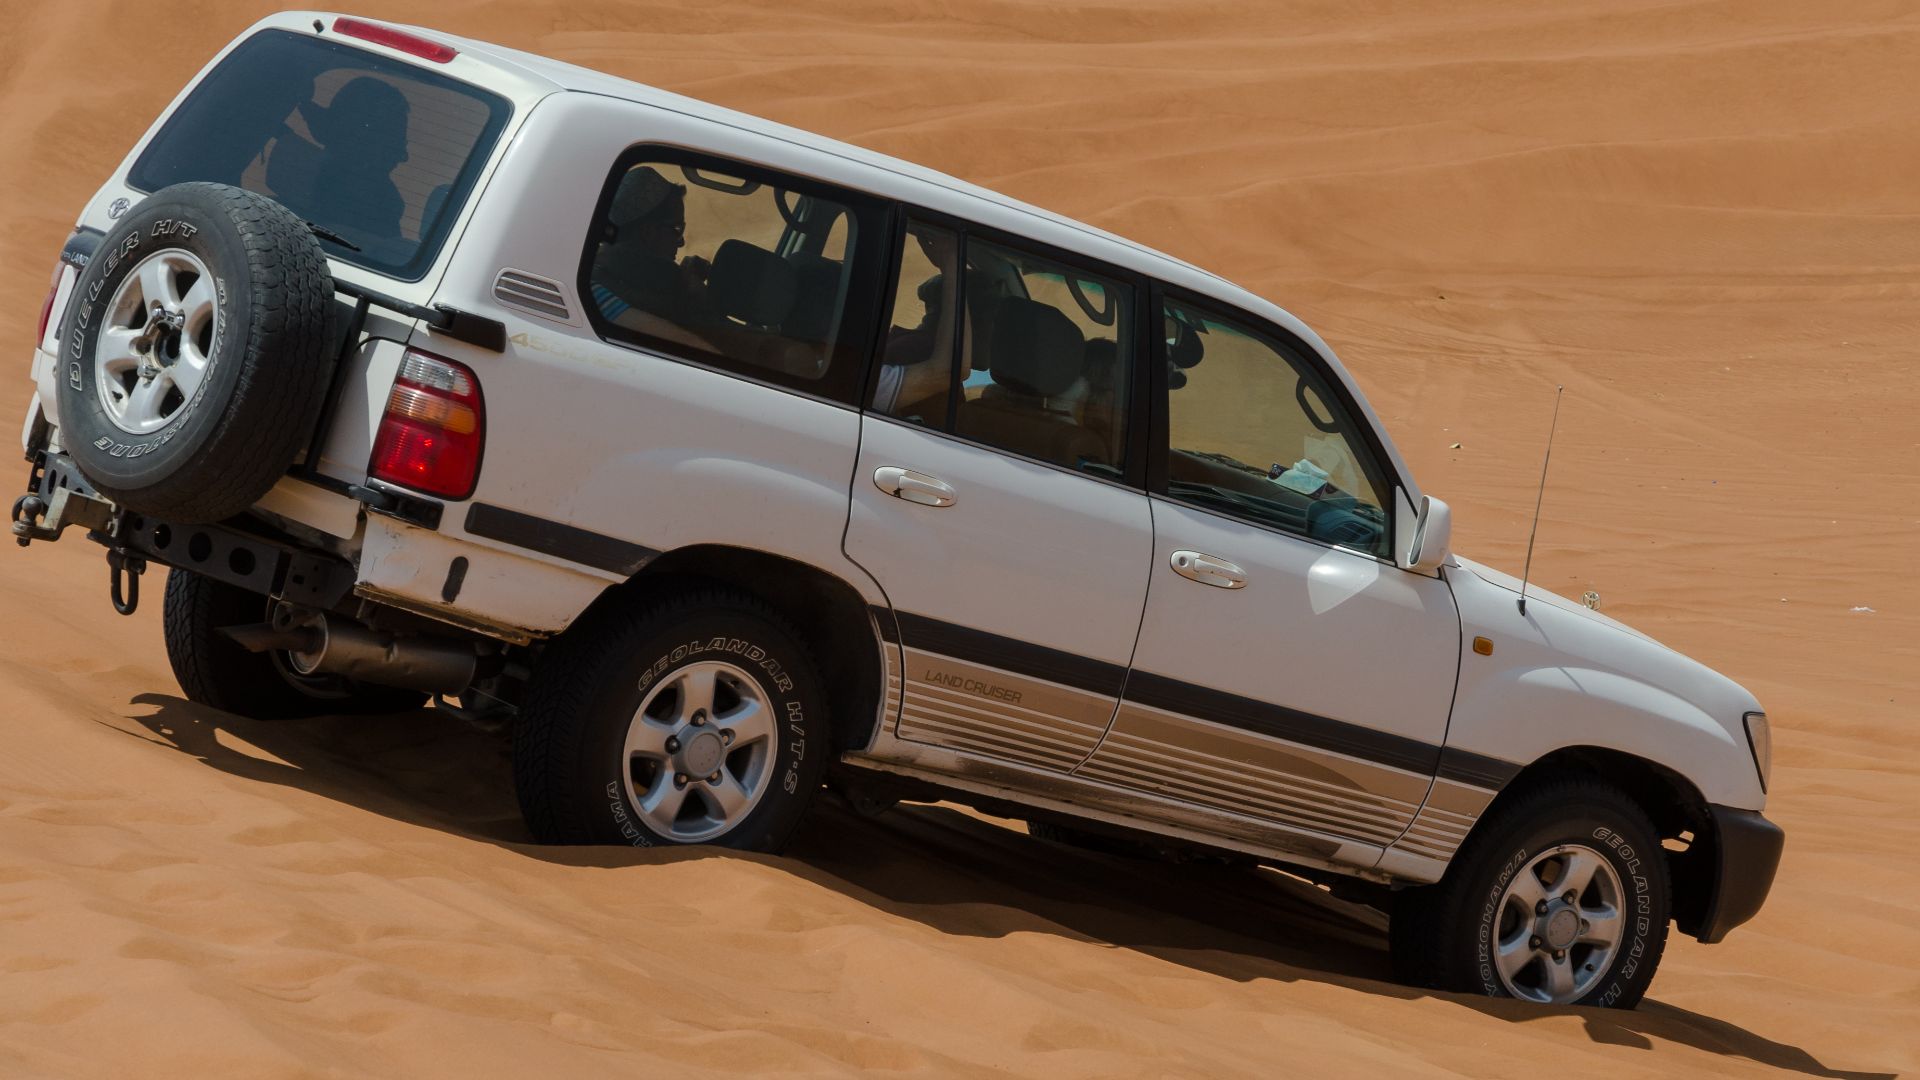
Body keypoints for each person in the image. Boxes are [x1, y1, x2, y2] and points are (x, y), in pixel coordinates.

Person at [592, 166, 715, 334]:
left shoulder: (596, 272)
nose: (681, 242)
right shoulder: (667, 292)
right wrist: (693, 292)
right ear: (648, 232)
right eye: (677, 229)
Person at [301, 76, 411, 243]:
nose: (403, 156)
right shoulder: (369, 205)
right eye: (395, 141)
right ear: (361, 139)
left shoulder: (274, 214)